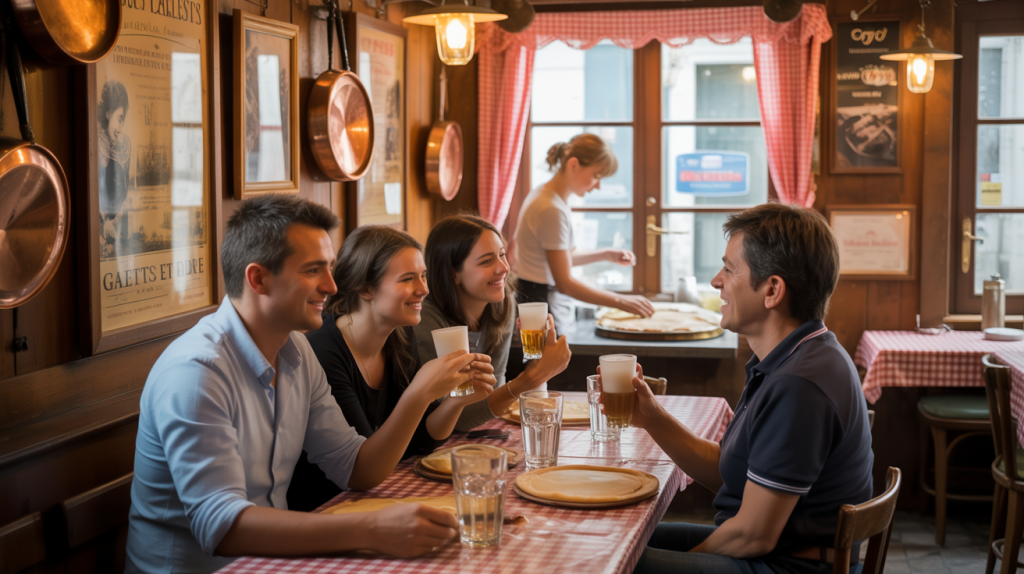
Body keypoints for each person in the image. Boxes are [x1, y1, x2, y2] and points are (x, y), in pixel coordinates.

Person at [126, 196, 475, 573]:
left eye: (330, 268)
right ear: (258, 278)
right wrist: (370, 529)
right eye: (313, 270)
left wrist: (425, 395)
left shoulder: (296, 350)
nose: (331, 285)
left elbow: (356, 468)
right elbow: (222, 527)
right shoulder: (196, 372)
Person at [630, 203, 874, 574]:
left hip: (784, 565)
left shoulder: (799, 384)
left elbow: (752, 537)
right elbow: (736, 473)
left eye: (729, 270)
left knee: (610, 563)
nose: (716, 281)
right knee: (614, 536)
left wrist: (672, 563)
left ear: (772, 290)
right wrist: (651, 417)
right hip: (766, 550)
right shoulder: (799, 354)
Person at [287, 225, 497, 511]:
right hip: (324, 510)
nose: (423, 289)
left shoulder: (399, 333)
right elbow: (364, 469)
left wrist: (456, 401)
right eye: (408, 279)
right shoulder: (323, 352)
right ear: (365, 288)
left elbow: (420, 441)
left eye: (423, 276)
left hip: (372, 500)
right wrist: (420, 393)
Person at [414, 215, 572, 431]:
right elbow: (451, 421)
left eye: (502, 255)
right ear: (454, 274)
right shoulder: (425, 322)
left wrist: (537, 371)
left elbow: (491, 394)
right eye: (486, 261)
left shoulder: (501, 304)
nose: (503, 268)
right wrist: (533, 377)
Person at [513, 133, 654, 335]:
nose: (598, 186)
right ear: (573, 165)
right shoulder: (551, 209)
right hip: (541, 302)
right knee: (547, 366)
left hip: (537, 298)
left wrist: (604, 254)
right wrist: (621, 301)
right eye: (596, 176)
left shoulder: (544, 195)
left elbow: (560, 258)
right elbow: (566, 284)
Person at [97, 80, 131, 252]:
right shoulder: (95, 141)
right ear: (108, 114)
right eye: (119, 119)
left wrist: (116, 220)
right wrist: (104, 222)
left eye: (123, 120)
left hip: (120, 226)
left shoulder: (125, 145)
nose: (120, 127)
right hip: (98, 229)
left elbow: (126, 188)